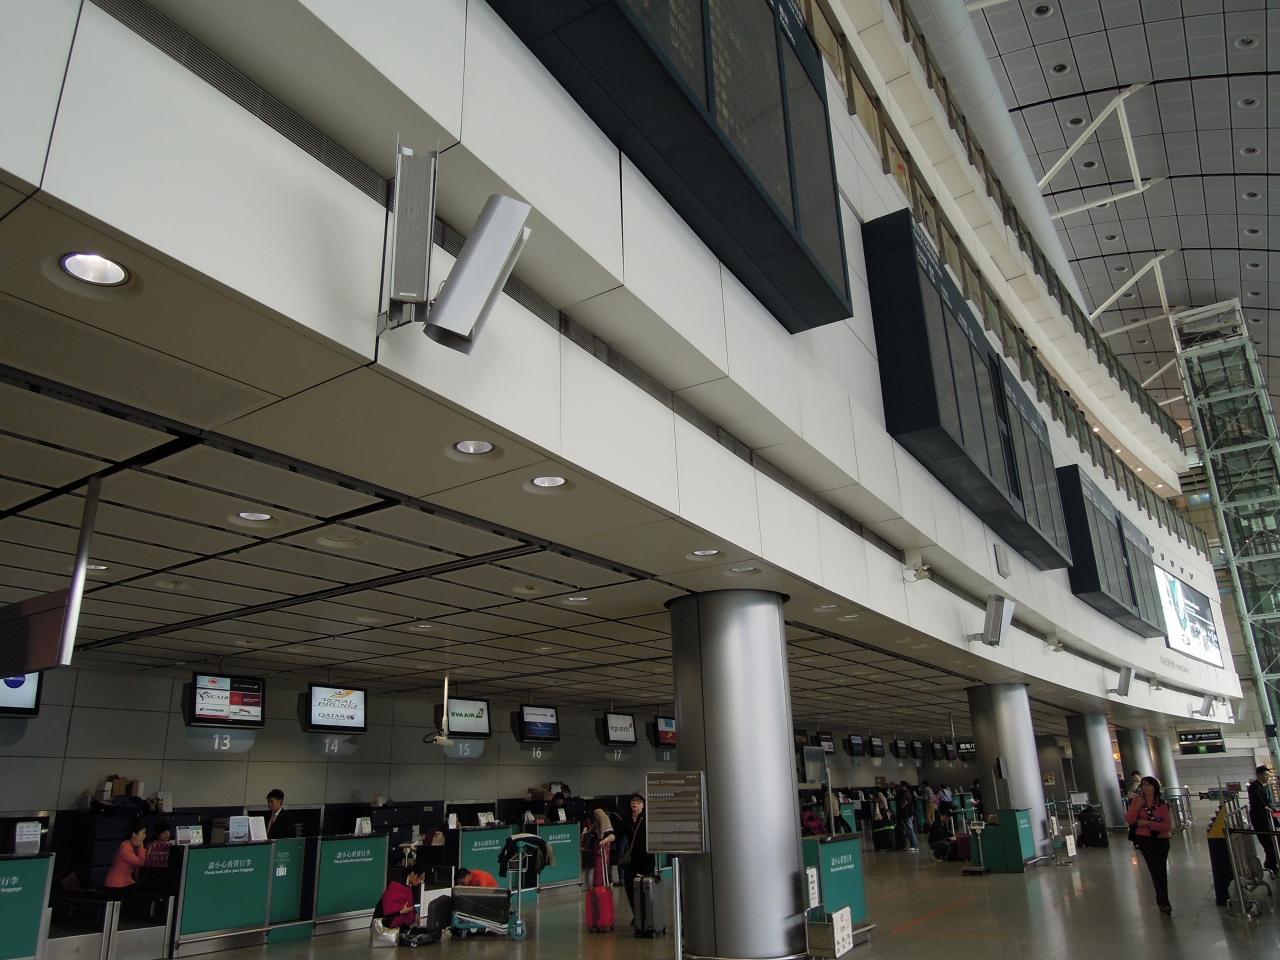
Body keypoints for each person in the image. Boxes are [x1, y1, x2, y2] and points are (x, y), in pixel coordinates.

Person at [1125, 776, 1173, 917]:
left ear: (1155, 787)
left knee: (1161, 869)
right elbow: (1129, 820)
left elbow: (1166, 826)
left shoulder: (1162, 804)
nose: (1146, 788)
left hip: (1161, 840)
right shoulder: (1137, 802)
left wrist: (1147, 823)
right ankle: (1164, 901)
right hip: (1145, 840)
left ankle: (1162, 898)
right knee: (1154, 868)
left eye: (1149, 785)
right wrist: (1137, 807)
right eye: (1144, 785)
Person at [377, 867, 440, 946]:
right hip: (386, 918)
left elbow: (409, 901)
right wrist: (400, 911)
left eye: (422, 880)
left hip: (398, 915)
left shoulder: (410, 884)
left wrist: (415, 913)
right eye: (420, 878)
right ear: (413, 874)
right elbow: (389, 904)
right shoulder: (397, 883)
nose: (420, 882)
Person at [620, 793, 655, 924]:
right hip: (632, 860)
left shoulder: (647, 818)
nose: (635, 803)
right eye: (633, 801)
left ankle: (646, 916)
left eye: (638, 801)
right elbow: (618, 834)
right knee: (629, 887)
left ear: (643, 805)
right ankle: (637, 915)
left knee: (645, 888)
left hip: (646, 859)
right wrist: (607, 838)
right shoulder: (627, 819)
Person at [1247, 765, 1278, 876]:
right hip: (1260, 820)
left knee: (1271, 843)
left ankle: (1271, 863)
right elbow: (1260, 803)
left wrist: (1272, 809)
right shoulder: (1254, 787)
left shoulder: (1261, 786)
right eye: (1265, 775)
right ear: (1259, 775)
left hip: (1264, 818)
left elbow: (1265, 803)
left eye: (1268, 775)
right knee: (1268, 843)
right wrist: (1268, 809)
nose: (1267, 777)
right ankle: (1271, 865)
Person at [105, 823, 147, 896]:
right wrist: (141, 846)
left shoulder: (133, 847)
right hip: (116, 885)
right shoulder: (125, 848)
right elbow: (140, 863)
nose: (145, 836)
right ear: (134, 835)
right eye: (143, 833)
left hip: (127, 882)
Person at [895, 783, 918, 852]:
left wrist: (901, 806)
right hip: (909, 814)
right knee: (909, 829)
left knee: (910, 830)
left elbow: (903, 804)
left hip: (907, 814)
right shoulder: (908, 793)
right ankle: (912, 845)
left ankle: (914, 846)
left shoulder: (906, 794)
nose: (900, 787)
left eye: (901, 786)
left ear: (904, 786)